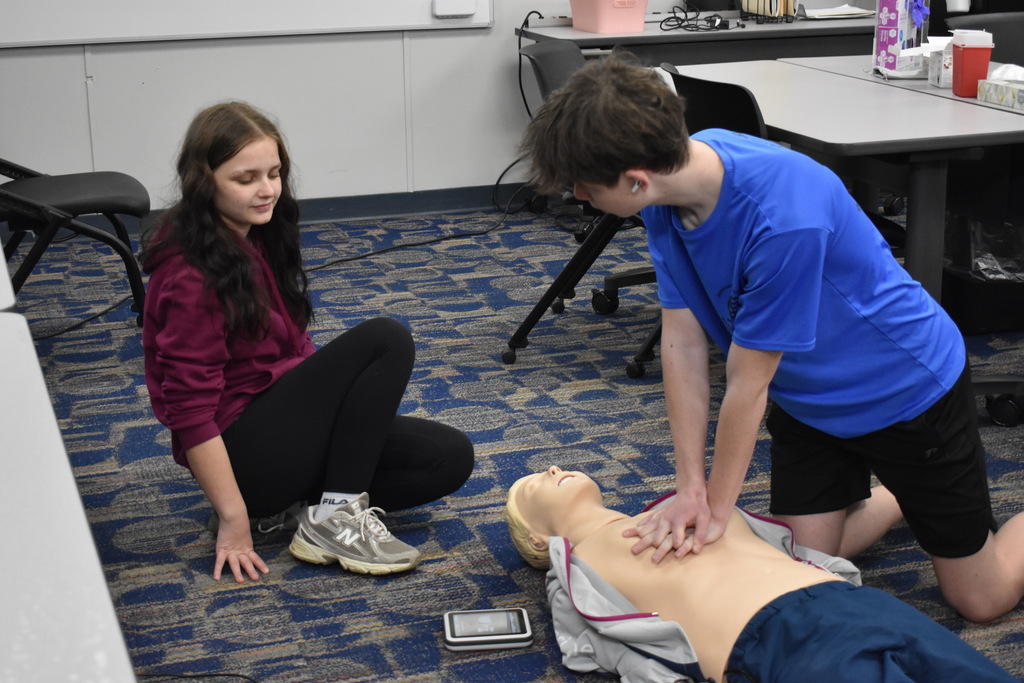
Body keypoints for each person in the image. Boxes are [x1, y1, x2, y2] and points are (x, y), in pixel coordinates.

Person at [518, 53, 1024, 623]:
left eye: (586, 189)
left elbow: (746, 384)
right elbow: (683, 344)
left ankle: (922, 493)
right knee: (802, 565)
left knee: (980, 600)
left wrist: (715, 512)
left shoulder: (783, 217)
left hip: (904, 394)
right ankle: (901, 498)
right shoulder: (667, 191)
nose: (580, 197)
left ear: (636, 180)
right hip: (808, 401)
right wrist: (689, 488)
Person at [141, 101, 474, 583]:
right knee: (386, 339)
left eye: (274, 173)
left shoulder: (255, 235)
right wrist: (233, 517)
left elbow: (294, 357)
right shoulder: (191, 277)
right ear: (203, 181)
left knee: (447, 457)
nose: (267, 189)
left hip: (281, 433)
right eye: (246, 178)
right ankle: (334, 517)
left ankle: (302, 512)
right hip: (245, 451)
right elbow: (189, 412)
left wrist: (330, 415)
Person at [506, 466, 1015, 682]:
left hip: (853, 603)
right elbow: (599, 649)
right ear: (537, 539)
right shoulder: (573, 571)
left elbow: (798, 546)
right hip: (777, 642)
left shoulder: (680, 503)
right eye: (532, 487)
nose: (552, 471)